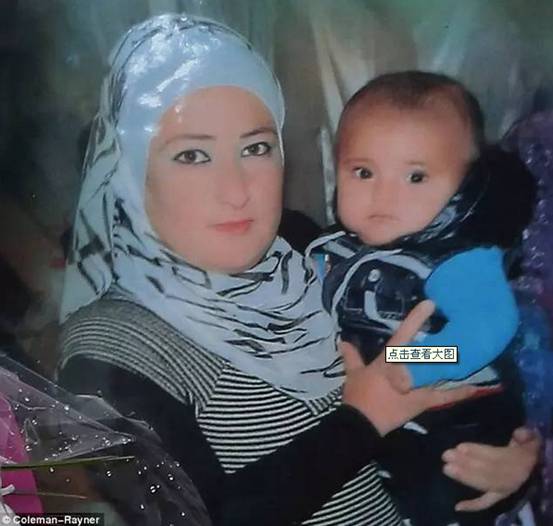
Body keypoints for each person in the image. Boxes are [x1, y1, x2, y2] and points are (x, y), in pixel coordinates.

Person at [56, 15, 539, 526]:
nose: (237, 190)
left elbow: (462, 355)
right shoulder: (107, 347)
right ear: (127, 174)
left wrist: (505, 471)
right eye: (193, 155)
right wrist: (363, 418)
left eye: (256, 147)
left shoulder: (306, 249)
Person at [306, 71, 538, 524]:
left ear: (465, 188)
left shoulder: (457, 260)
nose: (384, 194)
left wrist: (415, 361)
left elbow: (487, 326)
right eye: (363, 172)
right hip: (372, 431)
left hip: (455, 421)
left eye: (416, 176)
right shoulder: (329, 251)